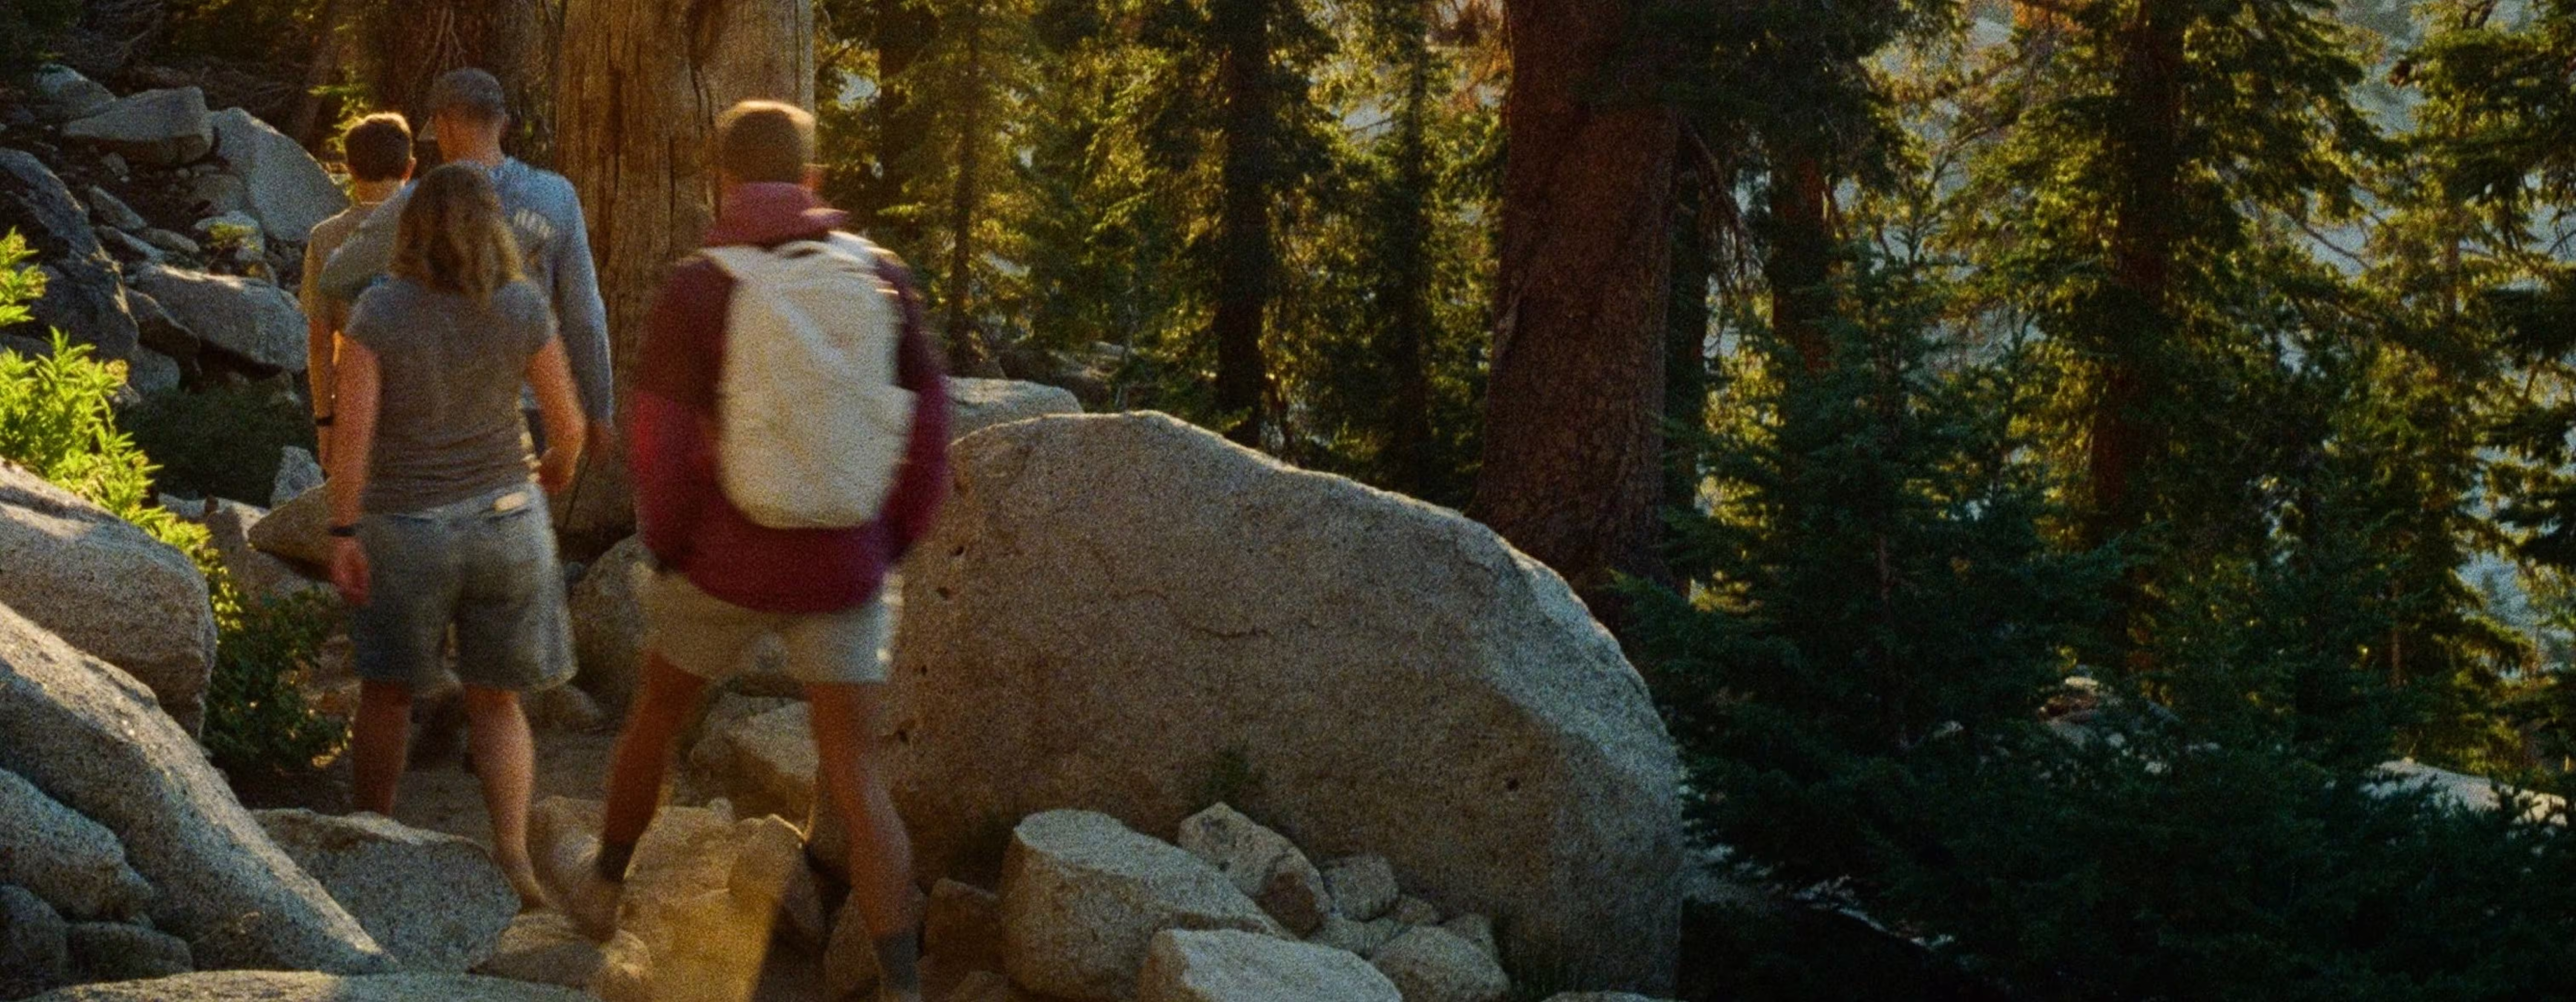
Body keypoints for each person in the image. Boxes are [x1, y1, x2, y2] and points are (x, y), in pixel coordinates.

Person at [547, 101, 949, 1002]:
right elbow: (930, 429)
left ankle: (607, 882)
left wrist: (673, 549)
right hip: (844, 561)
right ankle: (902, 982)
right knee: (856, 769)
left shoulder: (701, 286)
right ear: (812, 180)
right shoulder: (880, 276)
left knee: (656, 717)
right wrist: (885, 541)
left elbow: (660, 441)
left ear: (722, 180)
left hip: (725, 558)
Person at [325, 162, 589, 908]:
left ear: (411, 229)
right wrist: (555, 471)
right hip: (508, 520)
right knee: (498, 702)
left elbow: (354, 436)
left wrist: (344, 528)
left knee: (387, 692)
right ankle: (511, 854)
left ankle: (371, 838)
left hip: (405, 525)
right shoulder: (521, 305)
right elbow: (565, 428)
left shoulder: (378, 311)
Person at [317, 68, 615, 464]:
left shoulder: (418, 203)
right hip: (535, 406)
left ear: (444, 124)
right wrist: (599, 410)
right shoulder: (557, 197)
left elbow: (337, 275)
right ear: (503, 124)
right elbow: (586, 315)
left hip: (440, 410)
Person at [300, 112, 414, 466]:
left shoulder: (325, 239)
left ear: (349, 168)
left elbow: (319, 344)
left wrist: (325, 425)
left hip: (355, 408)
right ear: (409, 169)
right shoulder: (436, 230)